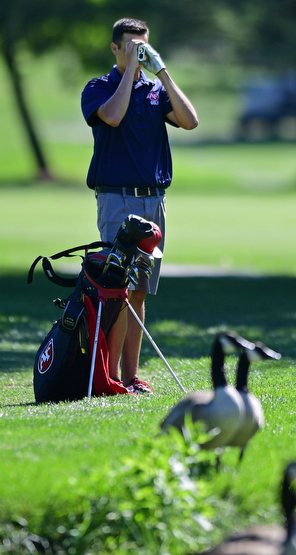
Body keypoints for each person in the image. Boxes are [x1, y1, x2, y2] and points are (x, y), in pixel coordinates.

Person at [81, 17, 198, 393]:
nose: (138, 52)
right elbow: (112, 117)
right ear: (115, 47)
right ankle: (110, 378)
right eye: (131, 46)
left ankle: (131, 377)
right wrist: (130, 69)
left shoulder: (153, 90)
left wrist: (161, 72)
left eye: (142, 46)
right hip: (116, 198)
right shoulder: (99, 88)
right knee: (116, 289)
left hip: (154, 202)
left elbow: (190, 120)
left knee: (140, 291)